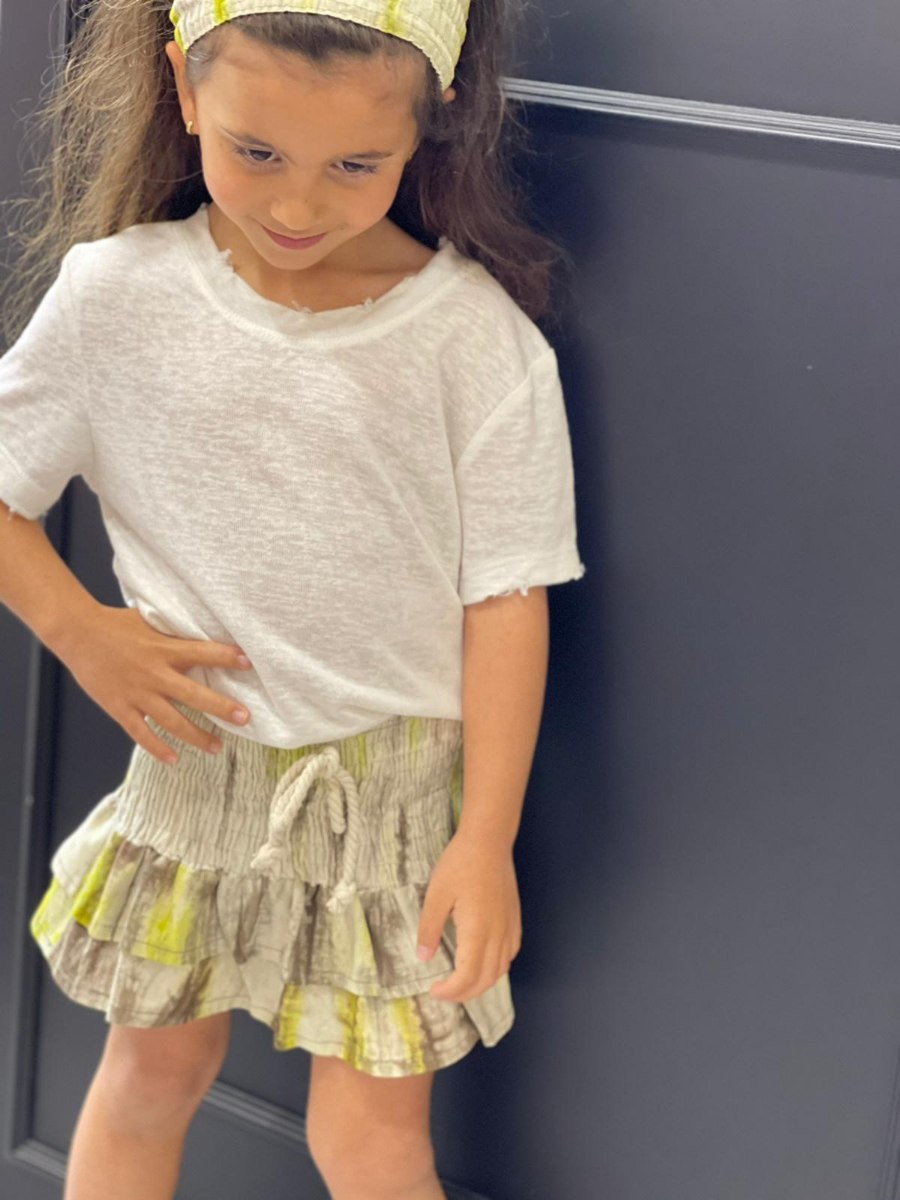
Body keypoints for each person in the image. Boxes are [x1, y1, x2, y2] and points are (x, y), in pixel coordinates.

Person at [0, 0, 586, 1196]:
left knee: (369, 1145)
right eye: (256, 151)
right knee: (148, 1079)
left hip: (393, 805)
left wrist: (484, 837)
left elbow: (506, 602)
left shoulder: (472, 342)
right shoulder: (116, 295)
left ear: (431, 121)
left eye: (354, 166)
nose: (298, 205)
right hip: (194, 767)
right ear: (183, 89)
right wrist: (83, 633)